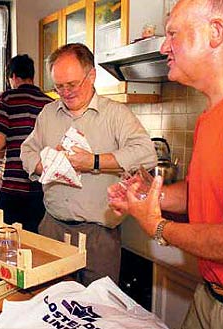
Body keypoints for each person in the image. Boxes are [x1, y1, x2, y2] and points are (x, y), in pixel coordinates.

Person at [108, 1, 223, 328]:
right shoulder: (214, 111)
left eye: (173, 34)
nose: (165, 47)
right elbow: (205, 190)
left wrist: (159, 226)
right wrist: (153, 197)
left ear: (215, 32)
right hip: (212, 294)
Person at [20, 43, 156, 286]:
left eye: (71, 85)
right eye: (58, 86)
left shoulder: (116, 114)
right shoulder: (47, 113)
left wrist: (93, 162)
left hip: (98, 236)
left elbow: (146, 153)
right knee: (50, 306)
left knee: (98, 311)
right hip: (51, 227)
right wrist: (47, 166)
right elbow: (27, 151)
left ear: (91, 75)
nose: (65, 92)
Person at [0, 54, 53, 233]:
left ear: (14, 77)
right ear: (31, 76)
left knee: (4, 239)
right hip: (40, 186)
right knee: (35, 243)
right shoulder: (49, 102)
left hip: (13, 185)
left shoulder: (7, 98)